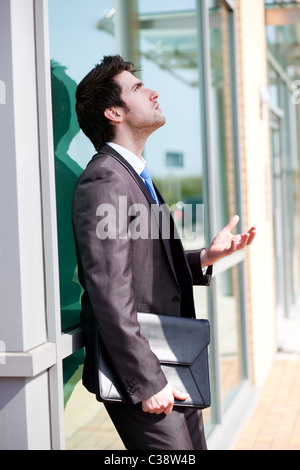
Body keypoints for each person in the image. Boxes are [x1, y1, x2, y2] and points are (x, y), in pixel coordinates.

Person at [72, 55, 256, 450]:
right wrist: (148, 382)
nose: (154, 92)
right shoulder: (105, 179)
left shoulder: (133, 175)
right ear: (113, 112)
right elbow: (109, 291)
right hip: (143, 375)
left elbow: (141, 266)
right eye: (138, 88)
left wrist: (203, 257)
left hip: (171, 361)